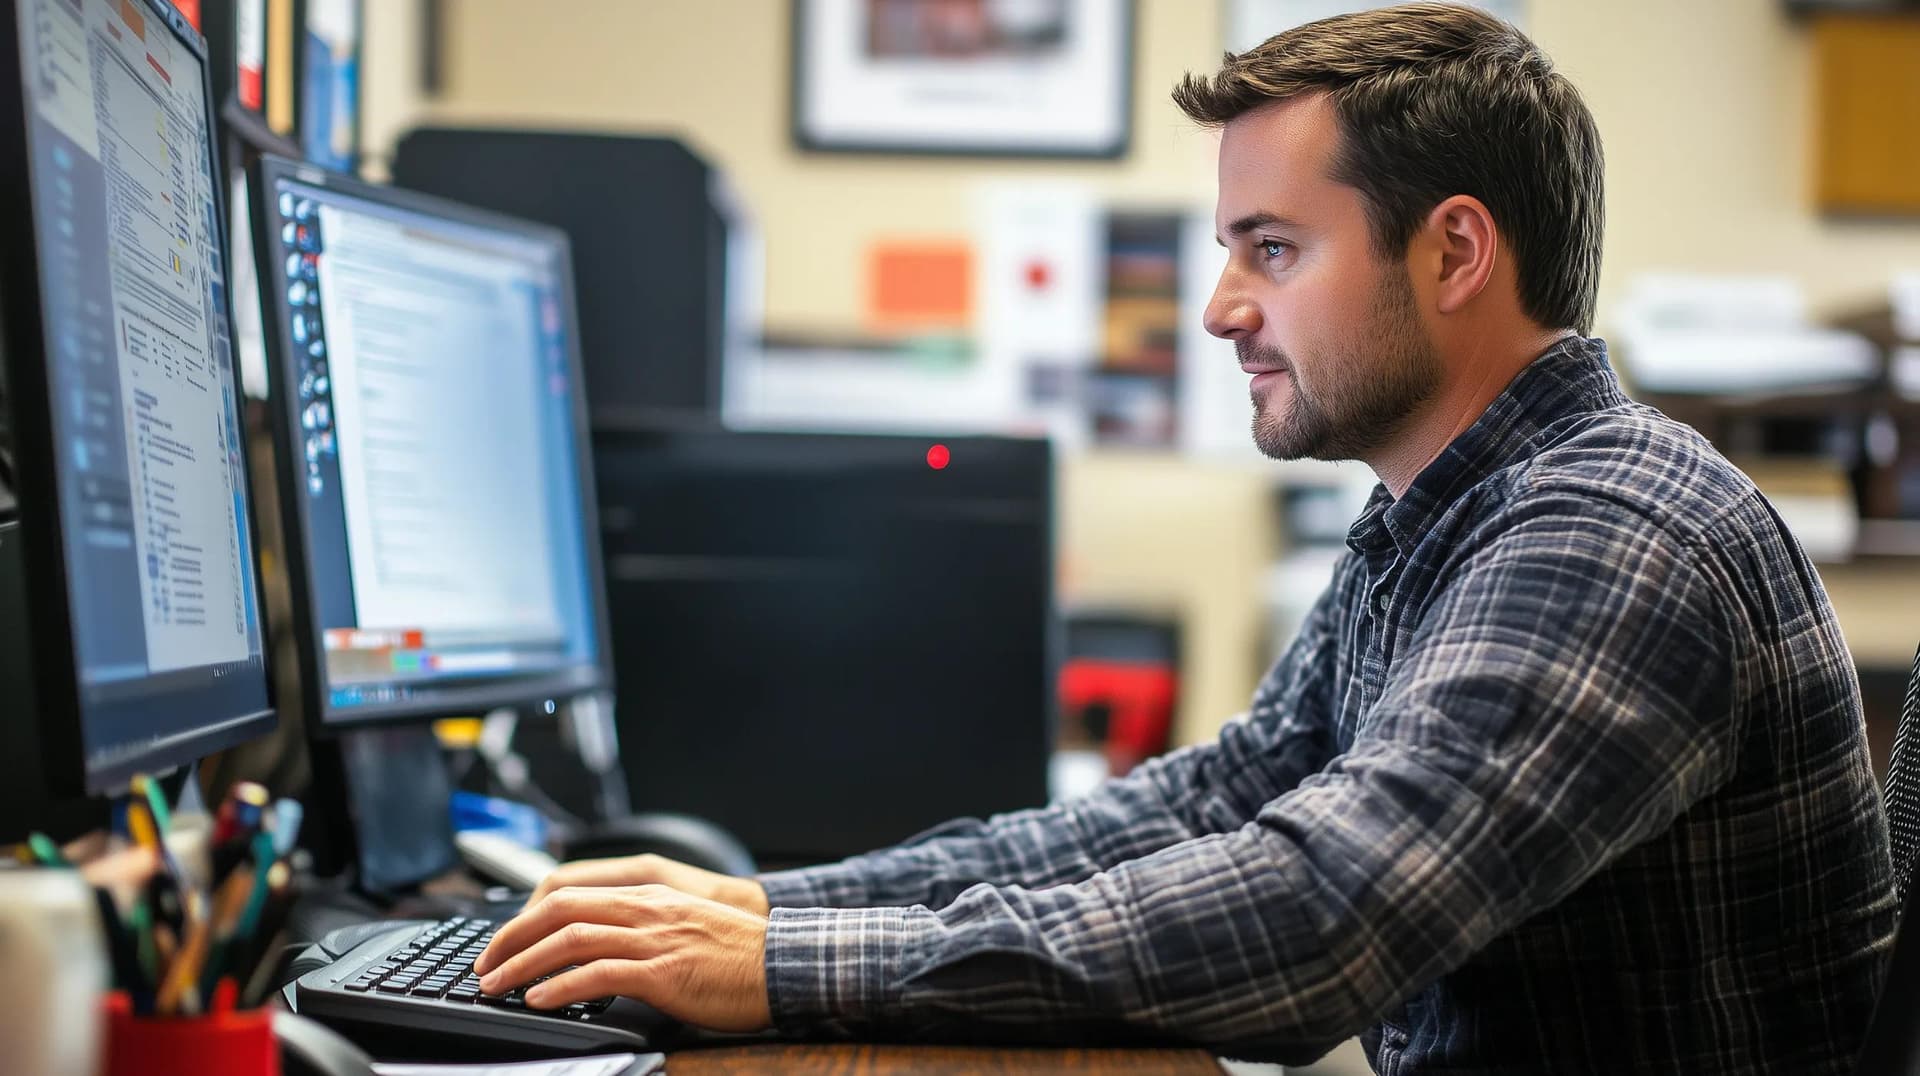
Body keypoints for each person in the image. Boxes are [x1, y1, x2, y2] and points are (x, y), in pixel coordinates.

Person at [472, 4, 1898, 1070]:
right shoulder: (1445, 516)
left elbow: (1318, 918)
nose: (1221, 306)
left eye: (1271, 248)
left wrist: (786, 959)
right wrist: (761, 908)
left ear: (1455, 254)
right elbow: (1208, 808)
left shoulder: (1617, 532)